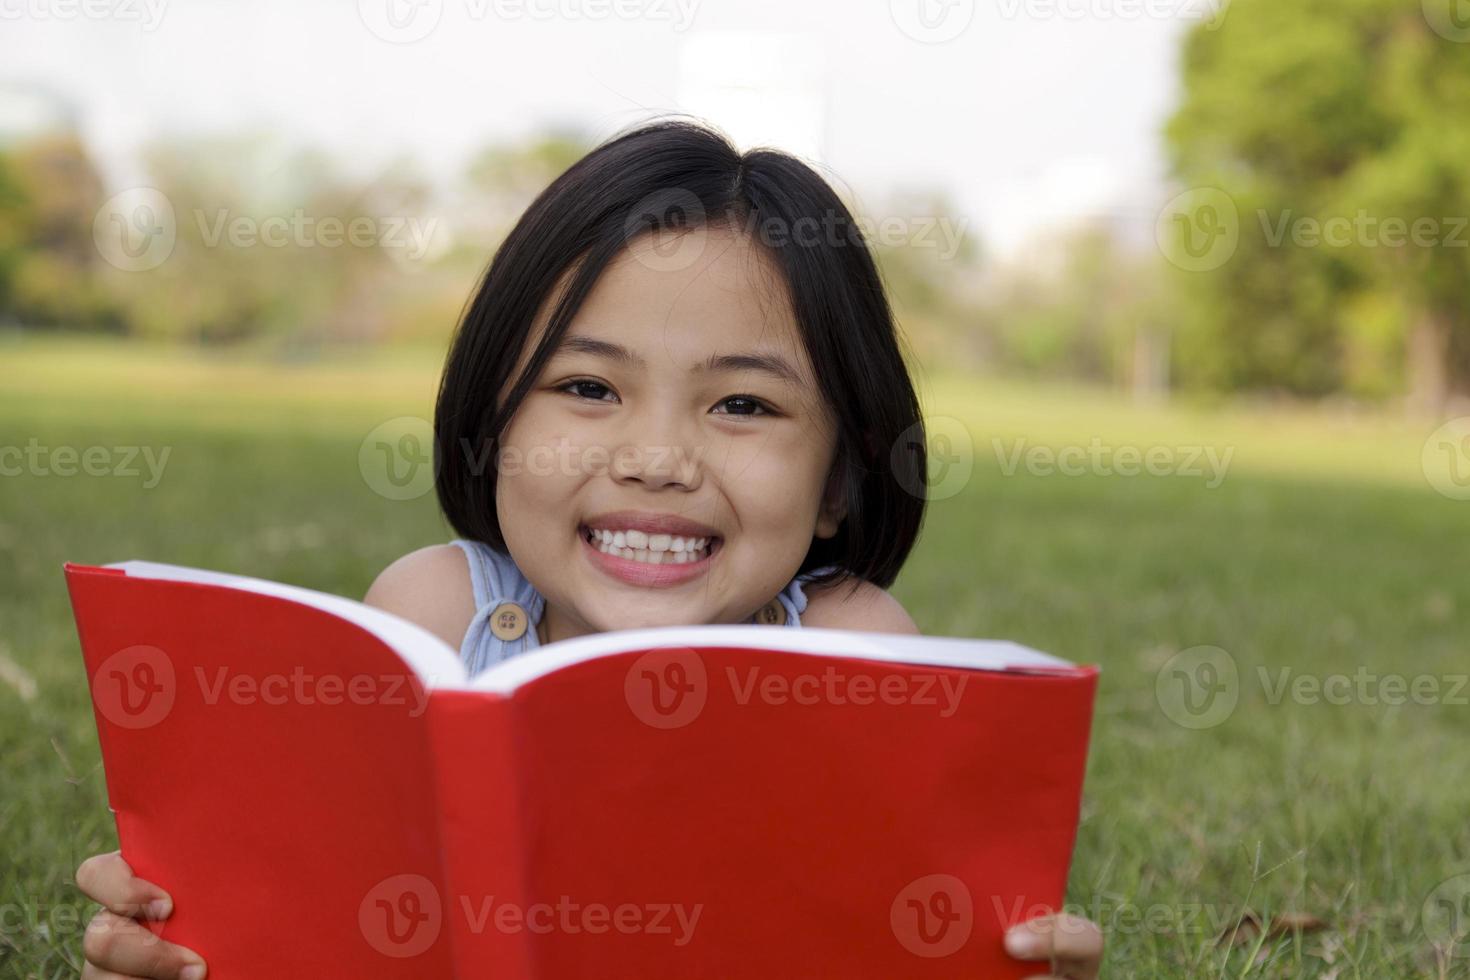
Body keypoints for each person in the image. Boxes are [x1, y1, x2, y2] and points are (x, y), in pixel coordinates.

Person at [74, 118, 1104, 979]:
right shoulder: (435, 616)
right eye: (588, 388)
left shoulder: (857, 650)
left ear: (839, 476)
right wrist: (194, 917)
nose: (656, 457)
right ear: (496, 419)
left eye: (743, 402)